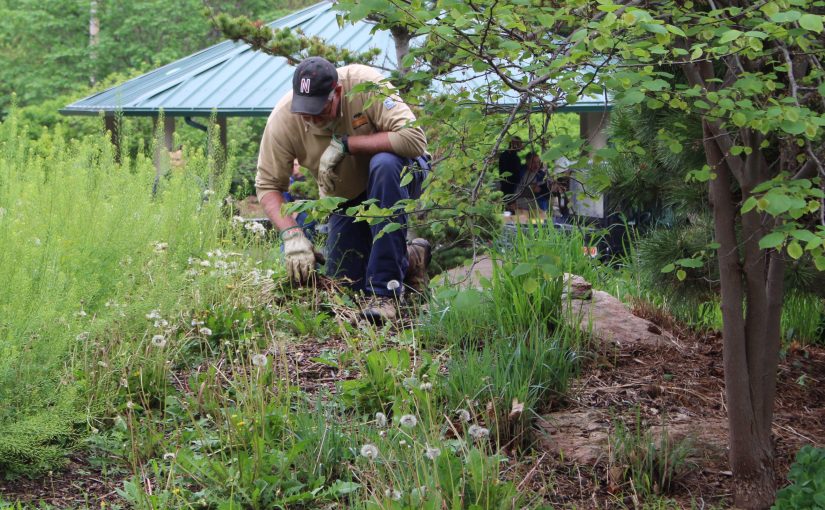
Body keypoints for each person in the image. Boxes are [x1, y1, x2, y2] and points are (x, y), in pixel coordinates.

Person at [255, 57, 431, 324]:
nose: (313, 119)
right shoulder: (283, 119)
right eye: (306, 111)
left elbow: (414, 140)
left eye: (319, 109)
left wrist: (348, 144)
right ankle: (411, 258)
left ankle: (384, 294)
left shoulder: (364, 84)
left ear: (337, 92)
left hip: (401, 173)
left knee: (384, 164)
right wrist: (292, 234)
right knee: (346, 286)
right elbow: (268, 186)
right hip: (346, 195)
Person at [498, 136, 523, 211]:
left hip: (511, 185)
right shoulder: (510, 157)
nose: (521, 146)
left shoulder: (509, 156)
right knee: (509, 205)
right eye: (519, 144)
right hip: (509, 185)